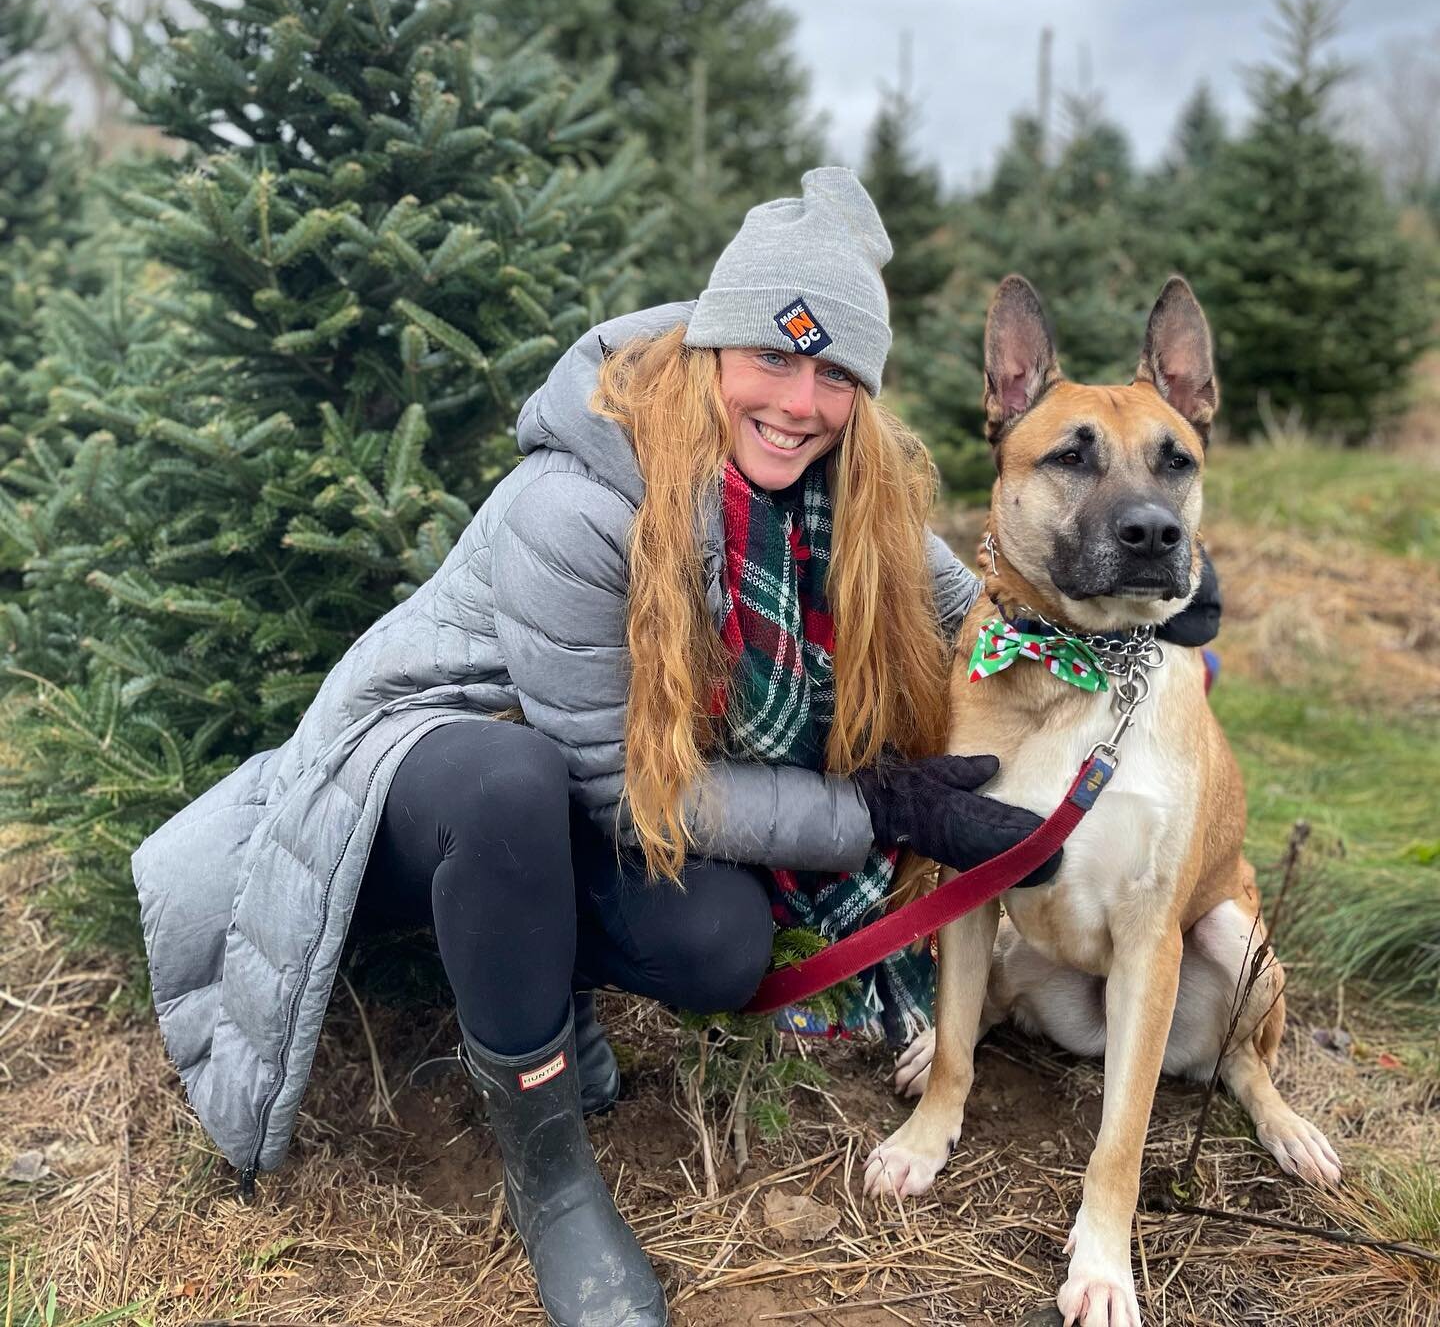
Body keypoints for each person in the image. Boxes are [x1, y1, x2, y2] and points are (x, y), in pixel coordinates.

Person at [131, 169, 1219, 1327]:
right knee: (513, 782)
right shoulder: (580, 498)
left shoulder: (847, 484)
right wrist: (879, 813)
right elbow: (623, 781)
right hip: (418, 781)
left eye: (835, 372)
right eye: (774, 357)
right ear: (711, 346)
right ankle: (550, 1173)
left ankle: (541, 975)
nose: (800, 401)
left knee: (717, 943)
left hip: (588, 808)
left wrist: (1137, 581)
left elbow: (968, 604)